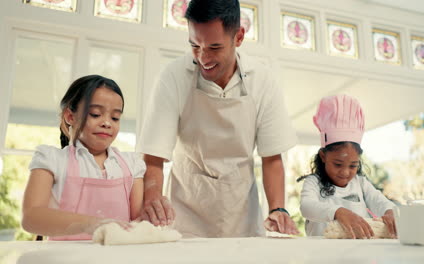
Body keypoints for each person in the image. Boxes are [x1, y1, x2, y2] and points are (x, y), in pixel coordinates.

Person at [137, 0, 299, 237]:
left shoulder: (263, 80)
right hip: (185, 214)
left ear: (239, 37)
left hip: (241, 213)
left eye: (214, 47)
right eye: (195, 45)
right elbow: (153, 157)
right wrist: (152, 202)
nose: (203, 58)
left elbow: (272, 156)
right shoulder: (173, 76)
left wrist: (278, 209)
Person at [22, 75, 145, 240]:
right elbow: (31, 217)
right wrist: (92, 224)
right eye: (95, 114)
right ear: (70, 117)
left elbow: (139, 222)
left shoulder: (132, 164)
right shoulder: (52, 160)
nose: (107, 123)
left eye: (115, 117)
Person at [299, 94, 396, 239]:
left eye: (353, 165)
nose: (345, 172)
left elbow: (380, 201)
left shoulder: (361, 184)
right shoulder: (314, 182)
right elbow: (306, 206)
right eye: (338, 164)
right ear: (323, 156)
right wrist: (338, 211)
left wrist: (390, 211)